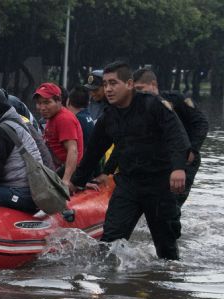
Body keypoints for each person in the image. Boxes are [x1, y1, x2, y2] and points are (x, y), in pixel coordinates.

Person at [71, 61, 190, 260]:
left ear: (129, 84)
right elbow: (93, 152)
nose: (108, 89)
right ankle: (110, 287)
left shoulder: (153, 105)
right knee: (109, 243)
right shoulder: (108, 117)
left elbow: (177, 137)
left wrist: (178, 169)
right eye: (106, 84)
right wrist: (76, 181)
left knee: (166, 251)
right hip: (128, 184)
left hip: (159, 184)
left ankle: (167, 289)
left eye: (113, 83)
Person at [132, 67, 208, 207]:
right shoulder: (139, 106)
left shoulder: (176, 100)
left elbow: (202, 123)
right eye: (135, 90)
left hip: (185, 157)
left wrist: (193, 149)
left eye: (141, 88)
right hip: (160, 158)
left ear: (153, 84)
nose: (139, 93)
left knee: (173, 201)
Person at [33, 82, 84, 188]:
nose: (42, 107)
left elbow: (73, 150)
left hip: (66, 170)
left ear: (59, 101)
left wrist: (65, 180)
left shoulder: (64, 119)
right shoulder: (53, 117)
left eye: (47, 102)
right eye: (39, 103)